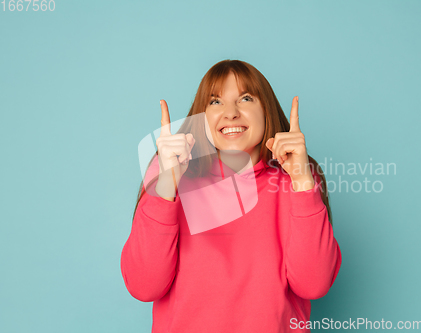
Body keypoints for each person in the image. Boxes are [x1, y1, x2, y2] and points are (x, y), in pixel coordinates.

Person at [120, 59, 342, 332]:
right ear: (201, 117)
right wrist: (167, 183)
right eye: (215, 102)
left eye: (246, 98)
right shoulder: (169, 177)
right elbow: (144, 286)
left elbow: (314, 284)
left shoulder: (296, 180)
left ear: (266, 109)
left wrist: (303, 182)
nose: (231, 113)